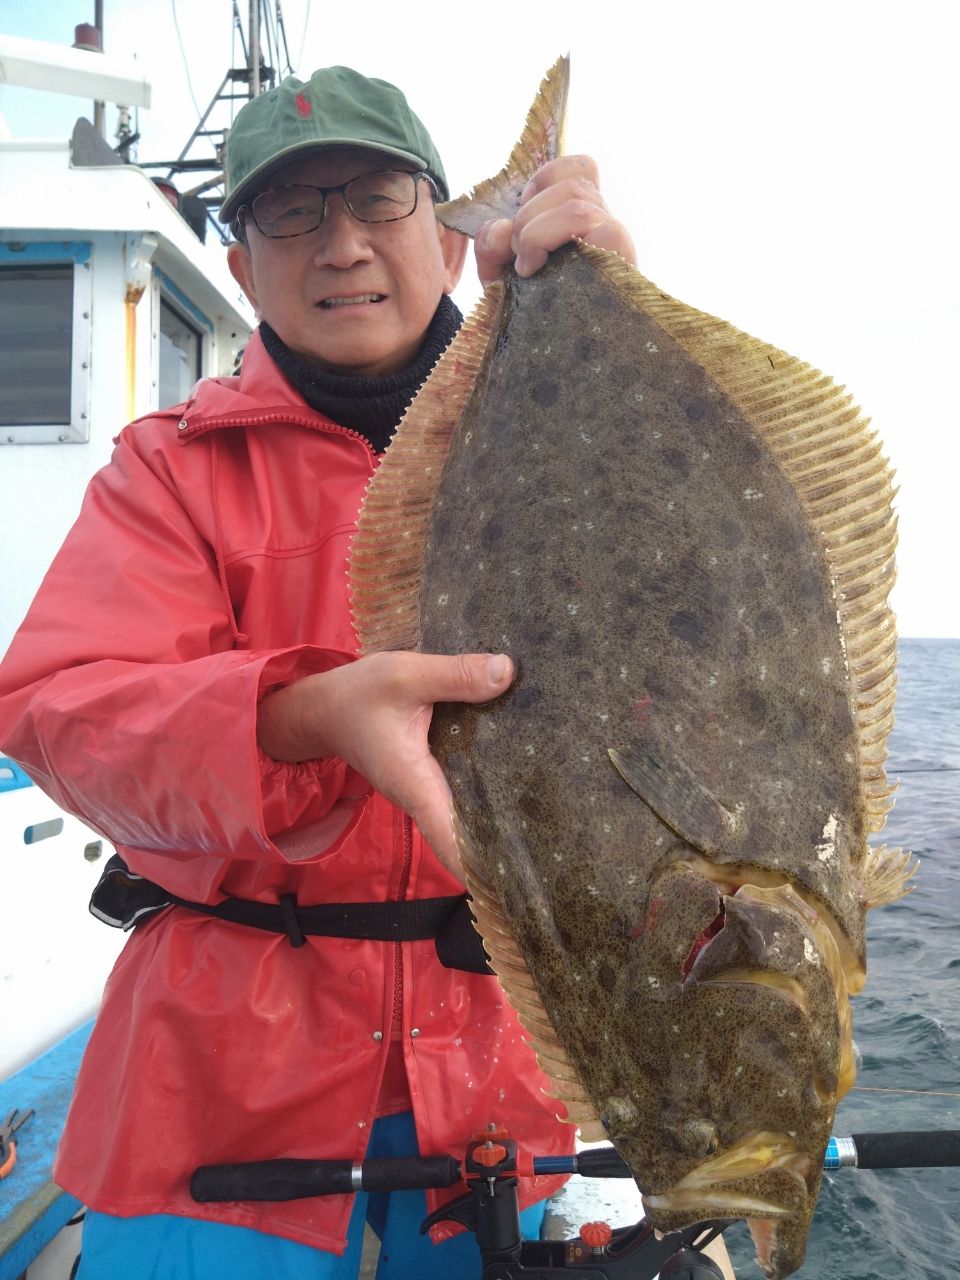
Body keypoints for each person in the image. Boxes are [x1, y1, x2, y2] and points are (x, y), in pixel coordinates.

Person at [0, 66, 636, 1279]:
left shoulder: (573, 439)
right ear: (241, 266)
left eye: (377, 200)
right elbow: (61, 708)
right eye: (291, 215)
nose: (339, 245)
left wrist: (604, 309)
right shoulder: (167, 471)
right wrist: (303, 718)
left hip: (504, 1068)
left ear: (447, 234)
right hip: (223, 1082)